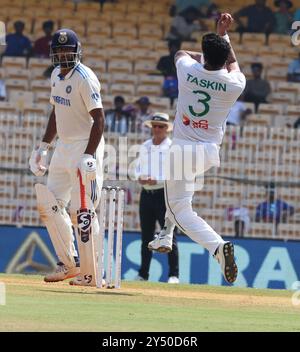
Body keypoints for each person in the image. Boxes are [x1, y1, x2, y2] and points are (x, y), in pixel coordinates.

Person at [148, 13, 246, 285]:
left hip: (181, 150)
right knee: (179, 199)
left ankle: (217, 247)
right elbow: (232, 62)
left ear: (202, 55)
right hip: (208, 152)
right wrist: (224, 37)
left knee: (180, 209)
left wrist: (204, 51)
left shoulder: (188, 69)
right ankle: (165, 235)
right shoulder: (235, 84)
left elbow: (180, 51)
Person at [29, 28, 105, 286]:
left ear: (77, 51)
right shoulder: (55, 75)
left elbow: (100, 119)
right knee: (50, 205)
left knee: (82, 211)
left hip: (85, 144)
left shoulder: (85, 78)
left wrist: (89, 154)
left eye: (68, 50)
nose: (63, 54)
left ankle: (92, 271)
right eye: (59, 50)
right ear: (53, 53)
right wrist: (43, 146)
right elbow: (56, 111)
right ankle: (69, 263)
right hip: (63, 146)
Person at [135, 113, 179, 284]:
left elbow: (175, 173)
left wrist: (158, 180)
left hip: (164, 194)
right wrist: (139, 177)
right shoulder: (145, 146)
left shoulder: (172, 147)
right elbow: (137, 168)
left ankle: (173, 275)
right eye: (155, 126)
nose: (157, 129)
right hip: (146, 193)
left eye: (161, 126)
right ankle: (143, 274)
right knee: (146, 236)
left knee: (169, 235)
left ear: (167, 129)